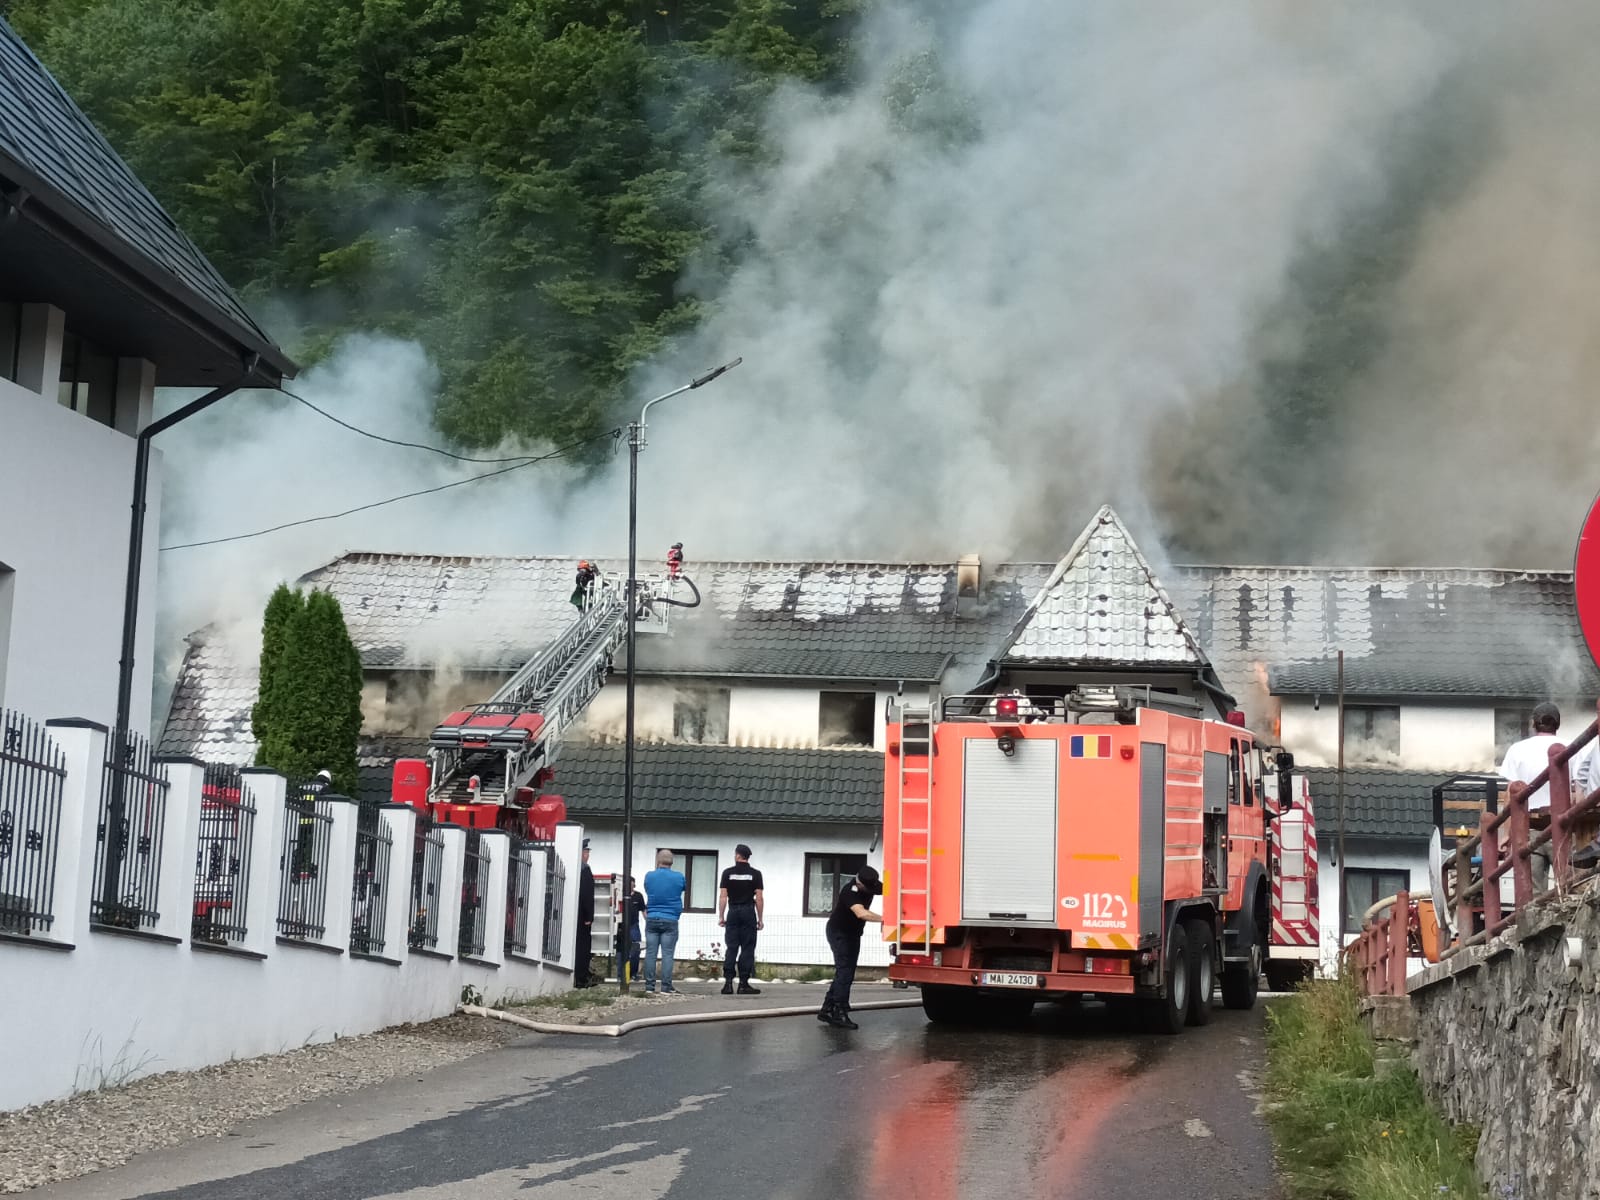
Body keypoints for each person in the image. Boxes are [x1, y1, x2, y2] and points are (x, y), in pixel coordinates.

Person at [1499, 703, 1563, 891]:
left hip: (1529, 829)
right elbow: (1580, 789)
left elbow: (1511, 793)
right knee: (1572, 887)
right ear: (1558, 724)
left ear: (1533, 723)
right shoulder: (1571, 747)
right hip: (1565, 826)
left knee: (1533, 893)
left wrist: (1506, 834)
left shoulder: (1517, 750)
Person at [819, 865, 882, 1030]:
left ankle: (827, 1009)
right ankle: (839, 1011)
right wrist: (886, 919)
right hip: (839, 932)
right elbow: (862, 913)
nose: (871, 891)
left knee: (847, 971)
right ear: (859, 883)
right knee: (845, 971)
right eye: (868, 888)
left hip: (853, 934)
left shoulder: (872, 884)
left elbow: (890, 889)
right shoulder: (850, 891)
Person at [717, 844, 764, 995]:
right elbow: (759, 898)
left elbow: (723, 897)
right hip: (748, 912)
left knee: (731, 947)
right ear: (747, 857)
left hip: (733, 912)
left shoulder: (727, 873)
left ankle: (728, 984)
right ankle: (743, 984)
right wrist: (760, 918)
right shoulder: (756, 874)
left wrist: (722, 916)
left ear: (738, 855)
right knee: (747, 948)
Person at [642, 849, 687, 995]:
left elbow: (647, 889)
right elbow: (683, 889)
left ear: (658, 860)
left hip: (652, 917)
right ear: (672, 862)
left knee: (651, 953)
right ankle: (666, 988)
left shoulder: (649, 876)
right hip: (671, 919)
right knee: (667, 954)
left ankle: (649, 987)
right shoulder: (679, 876)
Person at [574, 839, 596, 987]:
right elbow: (587, 895)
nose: (587, 855)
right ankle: (581, 977)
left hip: (574, 914)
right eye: (586, 852)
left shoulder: (574, 869)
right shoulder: (585, 870)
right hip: (582, 917)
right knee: (583, 946)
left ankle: (580, 974)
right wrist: (589, 916)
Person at [619, 875, 645, 983]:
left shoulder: (638, 896)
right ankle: (621, 975)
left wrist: (648, 922)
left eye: (632, 884)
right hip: (621, 925)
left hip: (634, 925)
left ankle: (633, 973)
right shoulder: (620, 895)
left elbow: (643, 910)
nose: (631, 886)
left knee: (635, 949)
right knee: (621, 950)